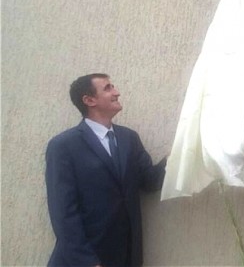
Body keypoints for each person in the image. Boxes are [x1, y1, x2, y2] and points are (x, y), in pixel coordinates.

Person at [45, 73, 166, 267]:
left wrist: (181, 154)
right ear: (89, 100)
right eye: (108, 88)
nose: (116, 92)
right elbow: (63, 213)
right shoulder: (63, 146)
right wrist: (88, 262)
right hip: (84, 260)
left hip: (125, 257)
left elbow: (150, 181)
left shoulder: (129, 138)